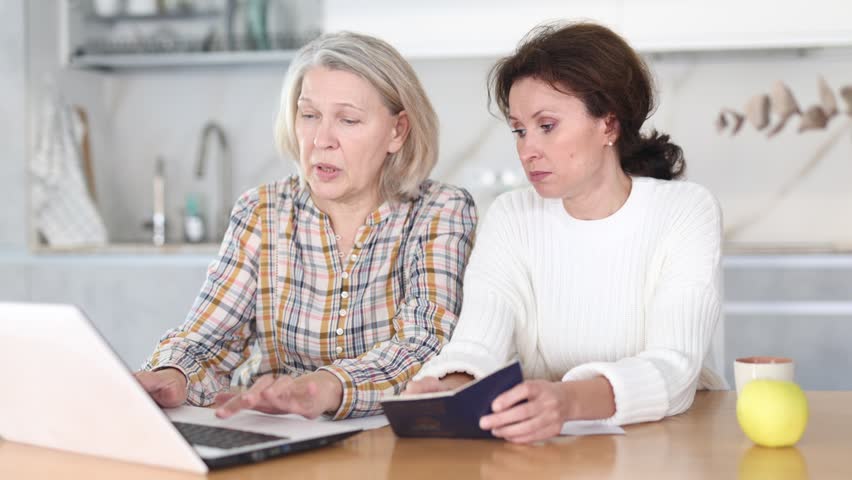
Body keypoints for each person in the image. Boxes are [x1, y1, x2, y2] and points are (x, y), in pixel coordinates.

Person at [405, 22, 725, 443]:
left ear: (608, 125)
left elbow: (674, 367)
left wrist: (567, 402)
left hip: (667, 442)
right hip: (548, 447)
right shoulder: (512, 214)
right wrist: (447, 388)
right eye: (519, 129)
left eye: (547, 126)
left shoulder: (684, 210)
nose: (527, 149)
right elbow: (478, 344)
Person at [135, 31, 477, 420]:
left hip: (388, 439)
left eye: (348, 120)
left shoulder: (440, 211)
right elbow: (209, 338)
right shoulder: (262, 211)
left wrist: (327, 387)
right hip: (274, 430)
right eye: (309, 115)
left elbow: (425, 346)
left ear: (397, 131)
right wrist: (173, 372)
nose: (321, 140)